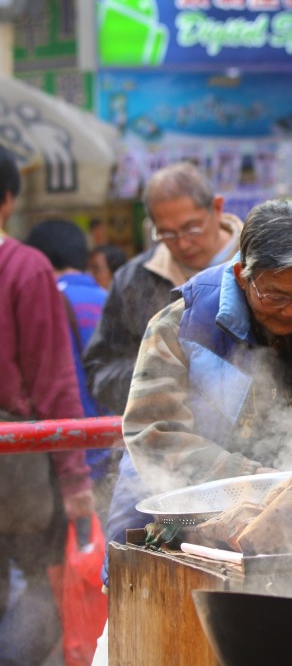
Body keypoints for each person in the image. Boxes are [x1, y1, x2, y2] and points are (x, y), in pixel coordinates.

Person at [120, 199, 292, 493]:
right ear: (243, 276)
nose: (291, 311)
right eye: (275, 297)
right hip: (191, 498)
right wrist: (256, 479)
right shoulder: (181, 327)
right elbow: (153, 434)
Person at [0, 146, 94, 665]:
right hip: (17, 463)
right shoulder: (24, 267)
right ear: (8, 199)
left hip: (15, 463)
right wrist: (78, 481)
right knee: (42, 587)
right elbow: (55, 383)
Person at [83, 161, 244, 417]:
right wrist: (155, 385)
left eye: (191, 227)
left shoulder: (260, 265)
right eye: (166, 233)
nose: (182, 242)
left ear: (217, 208)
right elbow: (101, 368)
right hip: (167, 441)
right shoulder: (134, 280)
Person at [26, 220, 116, 517]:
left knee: (66, 554)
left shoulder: (38, 303)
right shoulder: (112, 300)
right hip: (114, 448)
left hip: (62, 455)